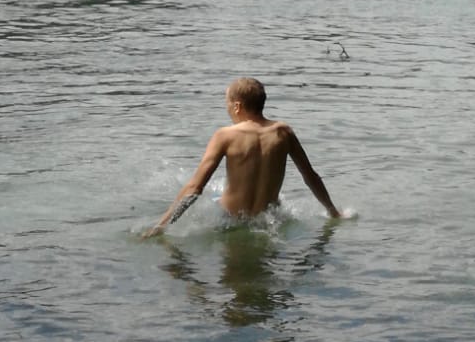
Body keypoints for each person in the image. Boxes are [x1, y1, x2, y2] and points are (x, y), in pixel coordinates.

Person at [144, 77, 341, 235]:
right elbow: (310, 176)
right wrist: (332, 211)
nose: (227, 109)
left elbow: (195, 187)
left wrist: (162, 225)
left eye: (227, 104)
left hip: (230, 222)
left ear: (237, 106)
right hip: (268, 220)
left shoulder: (225, 135)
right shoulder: (283, 132)